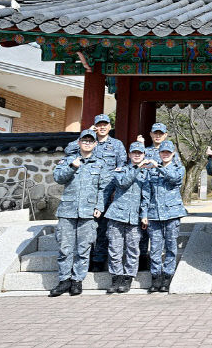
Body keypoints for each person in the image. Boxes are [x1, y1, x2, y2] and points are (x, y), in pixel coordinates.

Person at [49, 129, 111, 297]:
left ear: (95, 144)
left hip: (88, 211)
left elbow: (104, 187)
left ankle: (77, 281)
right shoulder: (68, 160)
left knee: (83, 248)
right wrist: (72, 167)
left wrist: (100, 206)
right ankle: (64, 280)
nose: (87, 143)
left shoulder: (100, 163)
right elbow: (58, 178)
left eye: (91, 141)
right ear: (79, 142)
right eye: (85, 140)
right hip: (68, 211)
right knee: (65, 247)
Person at [64, 114, 126, 272]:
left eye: (105, 124)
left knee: (103, 227)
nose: (102, 127)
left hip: (108, 191)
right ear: (95, 126)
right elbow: (68, 150)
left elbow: (122, 166)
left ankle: (99, 259)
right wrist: (86, 132)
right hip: (88, 191)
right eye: (99, 124)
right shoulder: (88, 141)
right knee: (87, 227)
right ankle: (86, 258)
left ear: (110, 127)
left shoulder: (117, 145)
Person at [101, 141, 150, 294]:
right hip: (117, 215)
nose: (137, 155)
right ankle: (116, 277)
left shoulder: (147, 173)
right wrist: (136, 168)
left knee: (133, 249)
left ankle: (128, 277)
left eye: (139, 153)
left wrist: (144, 215)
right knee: (115, 249)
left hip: (134, 217)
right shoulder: (121, 169)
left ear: (144, 155)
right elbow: (122, 183)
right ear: (129, 155)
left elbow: (146, 196)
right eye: (134, 152)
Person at [137, 122, 182, 272]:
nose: (157, 136)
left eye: (160, 133)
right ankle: (146, 264)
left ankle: (167, 274)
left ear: (165, 135)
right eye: (155, 133)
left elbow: (176, 178)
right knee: (148, 239)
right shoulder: (144, 151)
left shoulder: (173, 158)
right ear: (150, 134)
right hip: (147, 197)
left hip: (168, 202)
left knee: (169, 243)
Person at [143, 140, 187, 293]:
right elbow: (146, 193)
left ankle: (167, 276)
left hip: (172, 214)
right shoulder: (151, 170)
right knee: (155, 248)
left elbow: (174, 179)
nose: (165, 155)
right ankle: (156, 277)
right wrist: (144, 214)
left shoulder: (178, 168)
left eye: (168, 152)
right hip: (154, 214)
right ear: (159, 153)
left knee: (170, 247)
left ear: (173, 154)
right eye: (163, 152)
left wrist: (159, 167)